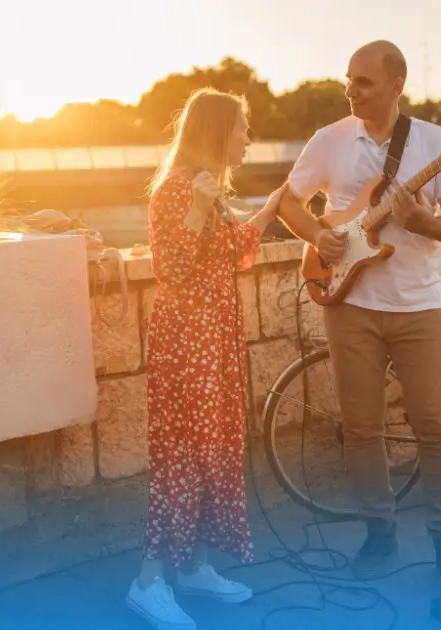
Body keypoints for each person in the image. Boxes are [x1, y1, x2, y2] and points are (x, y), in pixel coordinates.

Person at [274, 41, 441, 585]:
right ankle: (378, 533)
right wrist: (319, 235)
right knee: (361, 429)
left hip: (418, 304)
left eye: (363, 81)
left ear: (396, 85)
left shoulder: (436, 143)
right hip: (350, 304)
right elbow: (287, 202)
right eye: (348, 79)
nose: (350, 90)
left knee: (437, 428)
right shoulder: (329, 141)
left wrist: (422, 222)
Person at [127, 87, 284, 630]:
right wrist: (196, 206)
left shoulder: (209, 192)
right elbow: (169, 267)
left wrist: (269, 210)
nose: (248, 136)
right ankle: (147, 581)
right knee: (184, 458)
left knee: (213, 451)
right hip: (187, 344)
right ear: (217, 131)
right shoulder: (176, 191)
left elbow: (234, 251)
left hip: (212, 341)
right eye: (242, 127)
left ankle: (193, 566)